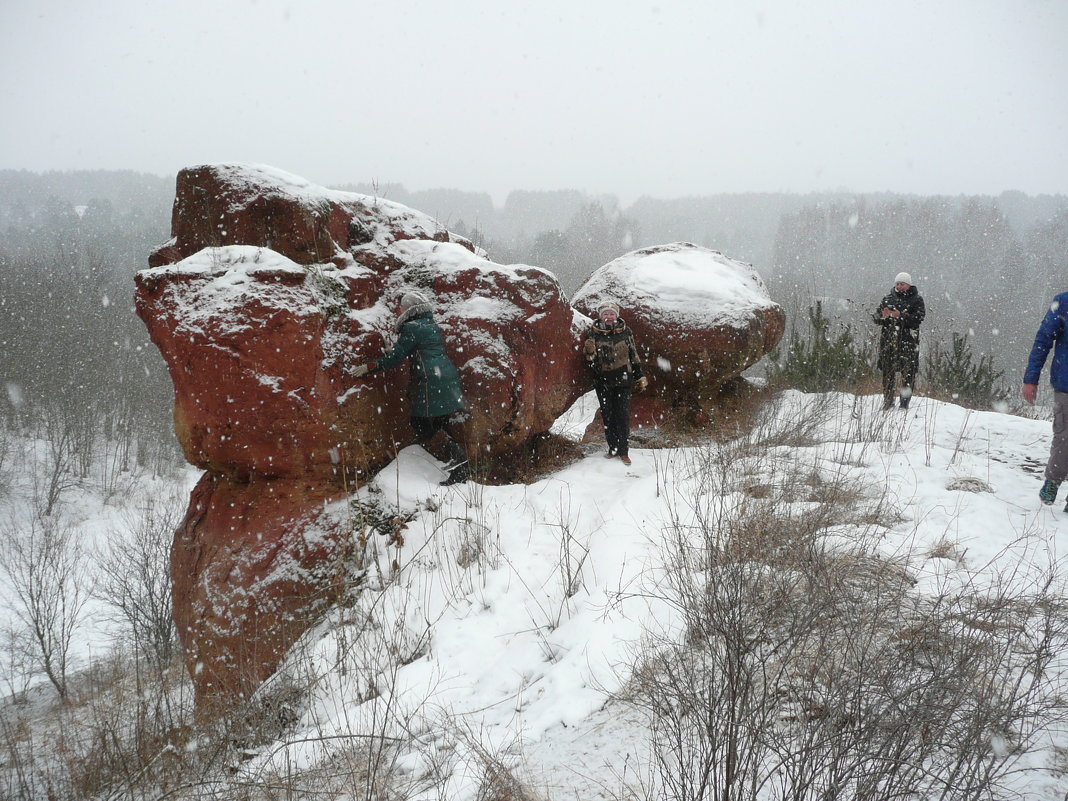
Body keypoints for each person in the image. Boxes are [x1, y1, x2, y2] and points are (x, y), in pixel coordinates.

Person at [352, 290, 470, 486]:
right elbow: (417, 348)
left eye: (401, 306)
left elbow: (397, 357)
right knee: (441, 422)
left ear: (410, 309)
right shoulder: (430, 324)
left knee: (419, 422)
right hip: (446, 375)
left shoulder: (412, 328)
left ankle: (458, 458)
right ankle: (460, 470)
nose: (398, 309)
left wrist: (370, 366)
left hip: (430, 379)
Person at [583, 301, 647, 466]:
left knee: (622, 416)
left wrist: (640, 376)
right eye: (605, 314)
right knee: (608, 416)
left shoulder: (626, 331)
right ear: (601, 316)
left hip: (624, 381)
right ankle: (612, 449)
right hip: (603, 383)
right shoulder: (594, 333)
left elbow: (634, 355)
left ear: (617, 316)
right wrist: (589, 353)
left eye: (611, 314)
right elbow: (590, 363)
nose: (608, 317)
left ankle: (624, 452)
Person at [1022, 291, 1068, 507]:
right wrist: (1031, 378)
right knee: (1064, 437)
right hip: (1066, 384)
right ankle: (1053, 481)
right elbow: (1043, 339)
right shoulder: (1064, 302)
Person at [873, 272, 926, 410]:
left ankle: (904, 404)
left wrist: (901, 316)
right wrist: (882, 317)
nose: (899, 286)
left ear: (909, 284)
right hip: (889, 342)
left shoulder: (917, 300)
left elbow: (918, 320)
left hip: (908, 343)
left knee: (908, 375)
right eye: (897, 283)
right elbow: (876, 317)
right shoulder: (887, 299)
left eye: (902, 284)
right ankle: (888, 403)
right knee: (887, 373)